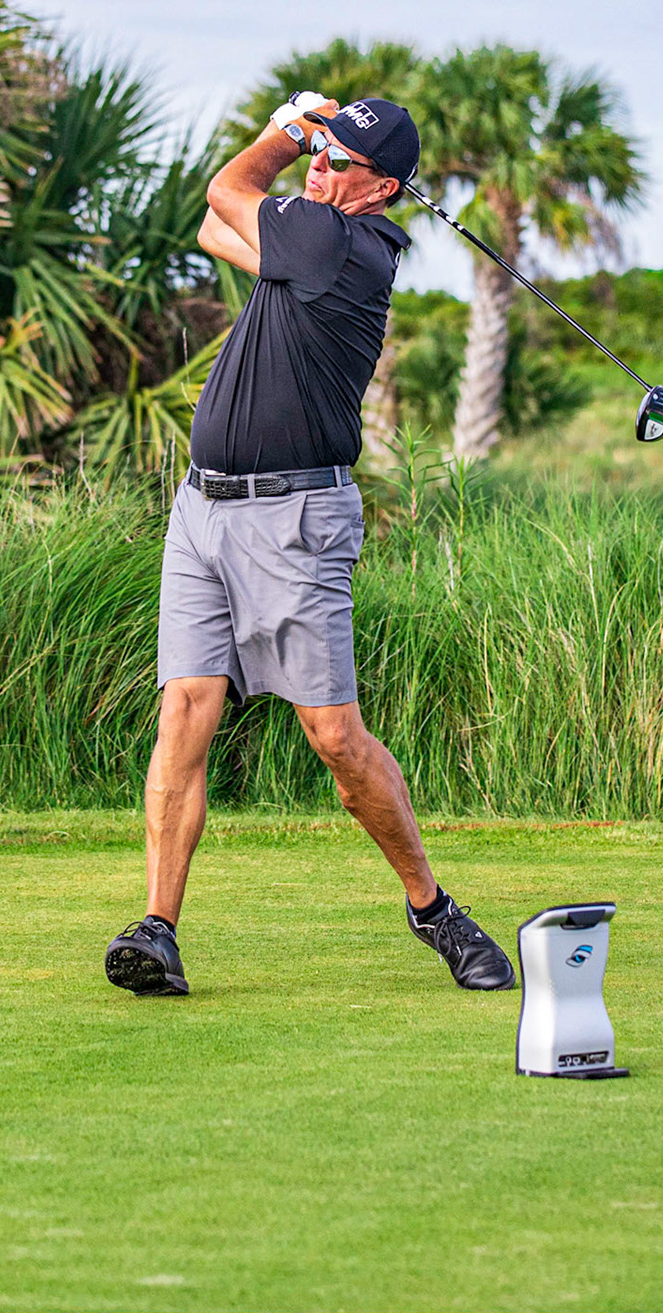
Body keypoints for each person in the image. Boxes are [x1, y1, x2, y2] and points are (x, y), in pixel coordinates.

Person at [102, 92, 516, 998]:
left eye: (338, 162)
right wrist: (308, 153)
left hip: (295, 522)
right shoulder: (307, 248)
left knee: (333, 736)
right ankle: (157, 927)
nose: (320, 169)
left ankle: (433, 907)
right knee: (185, 710)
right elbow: (220, 232)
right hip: (201, 513)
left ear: (381, 192)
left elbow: (228, 187)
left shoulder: (340, 245)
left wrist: (289, 130)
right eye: (318, 156)